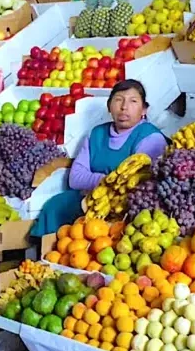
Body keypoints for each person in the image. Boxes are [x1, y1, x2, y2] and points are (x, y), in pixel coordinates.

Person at [31, 79, 168, 236]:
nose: (124, 107)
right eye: (118, 100)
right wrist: (109, 182)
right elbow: (75, 178)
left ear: (144, 109)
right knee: (56, 205)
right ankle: (43, 256)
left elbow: (140, 185)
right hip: (89, 197)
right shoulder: (96, 133)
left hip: (124, 204)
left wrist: (97, 183)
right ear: (109, 106)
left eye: (133, 101)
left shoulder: (150, 137)